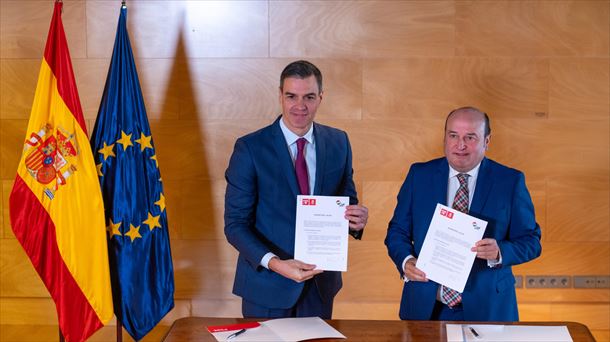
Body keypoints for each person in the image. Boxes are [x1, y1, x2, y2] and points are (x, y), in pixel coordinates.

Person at [224, 60, 368, 319]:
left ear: (321, 98)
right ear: (280, 96)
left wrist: (355, 221)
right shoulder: (250, 148)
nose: (300, 106)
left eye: (309, 97)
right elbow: (235, 225)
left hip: (319, 287)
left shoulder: (339, 142)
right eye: (292, 96)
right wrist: (277, 264)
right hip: (266, 286)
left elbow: (346, 202)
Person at [385, 106, 541, 321]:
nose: (460, 145)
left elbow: (532, 242)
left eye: (470, 137)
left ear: (487, 141)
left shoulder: (510, 181)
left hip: (489, 308)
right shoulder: (419, 175)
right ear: (444, 138)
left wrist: (500, 252)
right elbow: (397, 231)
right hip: (426, 306)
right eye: (453, 136)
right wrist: (406, 261)